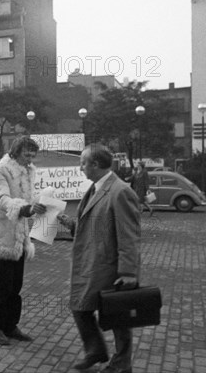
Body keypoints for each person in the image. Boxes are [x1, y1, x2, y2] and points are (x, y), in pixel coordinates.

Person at [57, 144, 141, 373]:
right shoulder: (95, 189)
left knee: (117, 317)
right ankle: (95, 351)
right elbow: (96, 226)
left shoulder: (120, 191)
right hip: (92, 265)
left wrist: (128, 273)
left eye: (83, 162)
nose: (80, 166)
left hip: (110, 267)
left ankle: (122, 365)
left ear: (95, 165)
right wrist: (71, 224)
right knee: (80, 307)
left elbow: (129, 236)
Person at [0, 136, 46, 346]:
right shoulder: (1, 171)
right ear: (16, 152)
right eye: (27, 153)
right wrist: (25, 209)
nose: (31, 157)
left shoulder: (28, 172)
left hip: (21, 235)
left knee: (16, 285)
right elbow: (1, 199)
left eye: (33, 154)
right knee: (4, 284)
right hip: (2, 235)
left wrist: (47, 208)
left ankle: (11, 325)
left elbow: (31, 199)